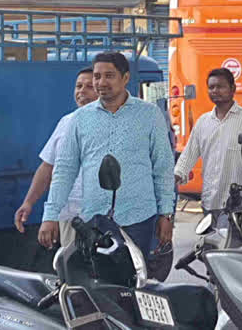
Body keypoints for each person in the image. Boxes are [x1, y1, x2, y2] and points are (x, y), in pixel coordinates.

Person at [38, 52, 176, 271]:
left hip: (138, 219)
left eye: (109, 76)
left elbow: (163, 168)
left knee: (133, 281)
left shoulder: (150, 115)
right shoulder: (79, 119)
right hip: (93, 220)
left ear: (125, 78)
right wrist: (50, 216)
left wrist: (166, 214)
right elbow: (64, 170)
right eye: (97, 76)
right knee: (95, 282)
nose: (101, 82)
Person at [13, 68, 96, 247]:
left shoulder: (114, 125)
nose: (82, 91)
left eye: (90, 87)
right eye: (79, 86)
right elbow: (47, 167)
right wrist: (29, 203)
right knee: (71, 262)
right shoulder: (66, 122)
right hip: (70, 217)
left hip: (103, 218)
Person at [173, 68, 242, 224]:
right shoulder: (203, 122)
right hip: (210, 205)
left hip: (239, 207)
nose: (215, 91)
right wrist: (174, 177)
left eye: (220, 86)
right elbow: (188, 155)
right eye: (211, 87)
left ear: (233, 89)